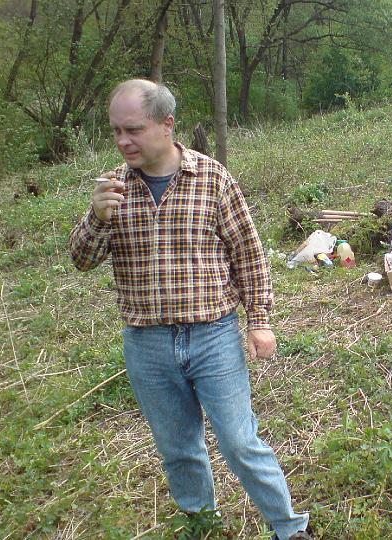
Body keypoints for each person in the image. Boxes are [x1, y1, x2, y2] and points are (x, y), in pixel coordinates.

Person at [68, 79, 311, 540]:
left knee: (240, 442)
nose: (123, 141)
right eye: (116, 131)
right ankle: (203, 526)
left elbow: (249, 254)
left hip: (213, 335)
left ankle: (289, 529)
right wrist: (96, 217)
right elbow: (81, 260)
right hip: (147, 343)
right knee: (178, 449)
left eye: (133, 129)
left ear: (167, 124)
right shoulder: (113, 188)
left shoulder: (213, 178)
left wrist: (259, 321)